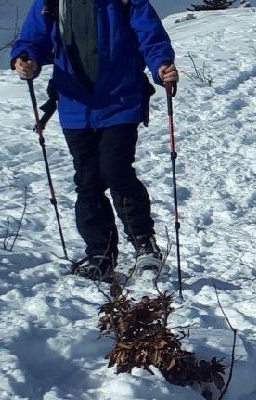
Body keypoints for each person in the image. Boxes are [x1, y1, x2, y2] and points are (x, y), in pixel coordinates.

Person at [11, 0, 180, 282]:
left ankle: (144, 243)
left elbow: (149, 34)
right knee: (88, 181)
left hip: (121, 101)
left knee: (117, 172)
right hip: (75, 106)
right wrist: (25, 58)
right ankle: (100, 253)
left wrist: (162, 65)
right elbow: (34, 38)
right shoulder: (51, 1)